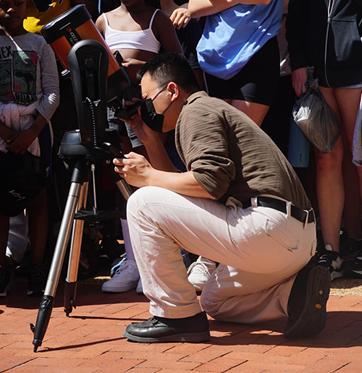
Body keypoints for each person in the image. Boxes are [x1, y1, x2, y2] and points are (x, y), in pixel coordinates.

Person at [112, 52, 327, 343]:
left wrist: (147, 177)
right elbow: (183, 188)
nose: (145, 107)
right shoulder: (204, 110)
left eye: (148, 99)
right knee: (215, 300)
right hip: (294, 238)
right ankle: (294, 296)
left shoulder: (196, 110)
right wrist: (147, 137)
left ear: (172, 90)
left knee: (142, 202)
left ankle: (175, 315)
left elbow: (208, 183)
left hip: (268, 227)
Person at [287, 0, 362, 279]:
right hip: (322, 73)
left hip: (361, 70)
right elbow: (299, 8)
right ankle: (331, 250)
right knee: (327, 159)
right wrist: (299, 61)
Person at [94, 0, 183, 295]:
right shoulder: (102, 20)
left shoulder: (156, 19)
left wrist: (143, 69)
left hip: (149, 116)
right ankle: (133, 260)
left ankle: (157, 262)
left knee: (154, 181)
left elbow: (178, 65)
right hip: (114, 114)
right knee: (123, 186)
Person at [0, 0, 60, 298]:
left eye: (18, 3)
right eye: (3, 4)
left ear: (28, 5)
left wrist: (32, 131)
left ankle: (36, 266)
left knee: (37, 198)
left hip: (34, 132)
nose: (11, 9)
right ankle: (0, 268)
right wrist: (3, 130)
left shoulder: (40, 45)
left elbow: (52, 92)